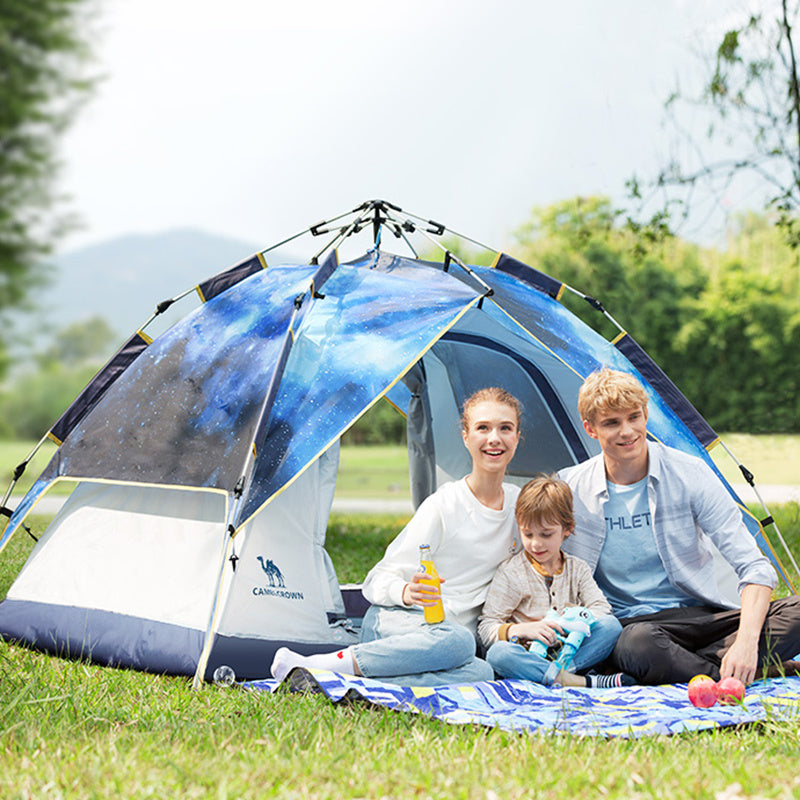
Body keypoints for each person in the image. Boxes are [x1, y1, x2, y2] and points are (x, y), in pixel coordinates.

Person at [559, 367, 800, 685]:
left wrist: (745, 643)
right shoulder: (570, 488)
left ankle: (697, 665)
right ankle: (731, 674)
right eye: (612, 423)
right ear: (590, 429)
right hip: (631, 627)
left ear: (646, 414)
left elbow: (755, 568)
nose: (627, 431)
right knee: (638, 645)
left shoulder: (690, 473)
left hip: (701, 617)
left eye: (634, 417)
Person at [270, 387, 524, 686]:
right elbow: (376, 580)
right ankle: (321, 664)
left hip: (443, 648)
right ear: (466, 437)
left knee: (481, 673)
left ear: (517, 437)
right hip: (399, 625)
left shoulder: (521, 508)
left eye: (505, 428)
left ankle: (344, 680)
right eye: (483, 428)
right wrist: (406, 592)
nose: (494, 438)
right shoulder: (444, 505)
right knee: (461, 641)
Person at [478, 474, 633, 688]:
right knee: (499, 654)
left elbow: (601, 608)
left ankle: (555, 675)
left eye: (546, 534)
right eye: (528, 534)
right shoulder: (512, 572)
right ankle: (578, 681)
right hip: (528, 653)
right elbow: (486, 628)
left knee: (611, 626)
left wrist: (569, 624)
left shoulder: (577, 568)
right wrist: (520, 630)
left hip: (571, 651)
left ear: (567, 529)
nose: (536, 544)